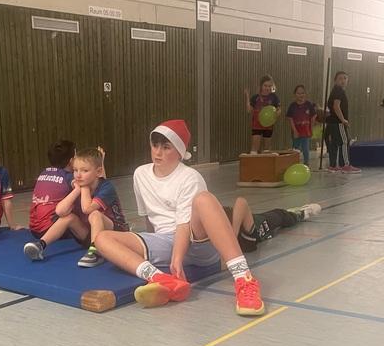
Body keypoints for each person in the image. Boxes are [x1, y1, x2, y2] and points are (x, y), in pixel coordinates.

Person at [94, 120, 265, 315]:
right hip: (164, 241)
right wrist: (147, 246)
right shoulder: (140, 174)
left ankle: (244, 279)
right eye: (155, 145)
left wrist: (176, 260)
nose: (158, 152)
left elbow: (183, 225)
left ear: (180, 152)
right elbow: (148, 218)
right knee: (102, 238)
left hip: (194, 240)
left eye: (166, 147)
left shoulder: (190, 177)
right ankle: (160, 279)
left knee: (204, 199)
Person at [23, 147, 127, 266]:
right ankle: (41, 245)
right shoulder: (78, 185)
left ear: (98, 172)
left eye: (84, 171)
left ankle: (96, 253)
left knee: (95, 214)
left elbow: (87, 209)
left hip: (116, 236)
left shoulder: (106, 187)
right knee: (68, 217)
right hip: (91, 235)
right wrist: (77, 190)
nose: (78, 175)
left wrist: (84, 188)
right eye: (75, 170)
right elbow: (60, 211)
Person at [223, 197, 322, 253]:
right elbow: (241, 202)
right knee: (281, 216)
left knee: (282, 215)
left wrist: (232, 236)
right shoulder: (247, 242)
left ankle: (300, 212)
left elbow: (241, 202)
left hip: (241, 219)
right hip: (262, 222)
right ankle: (300, 213)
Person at [28, 140, 76, 238]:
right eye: (77, 156)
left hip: (34, 229)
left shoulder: (43, 173)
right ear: (71, 161)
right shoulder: (69, 177)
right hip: (51, 229)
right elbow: (99, 191)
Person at [325, 71, 360, 173]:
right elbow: (336, 106)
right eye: (340, 78)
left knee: (334, 143)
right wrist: (343, 120)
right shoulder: (339, 90)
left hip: (332, 122)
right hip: (337, 122)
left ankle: (332, 165)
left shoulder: (335, 90)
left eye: (345, 78)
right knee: (344, 142)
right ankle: (345, 165)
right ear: (335, 80)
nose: (343, 81)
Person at [245, 75, 281, 154]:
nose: (267, 88)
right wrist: (247, 97)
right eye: (265, 85)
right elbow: (249, 110)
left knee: (266, 149)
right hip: (257, 125)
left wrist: (277, 113)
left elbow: (279, 110)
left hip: (268, 126)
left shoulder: (274, 97)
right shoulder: (255, 97)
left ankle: (266, 160)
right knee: (254, 148)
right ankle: (254, 159)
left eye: (269, 86)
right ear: (261, 85)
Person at [286, 85, 316, 165]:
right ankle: (294, 164)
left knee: (305, 148)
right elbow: (290, 119)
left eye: (302, 93)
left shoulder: (308, 104)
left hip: (306, 131)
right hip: (296, 131)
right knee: (295, 148)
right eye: (298, 93)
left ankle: (306, 164)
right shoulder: (292, 106)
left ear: (305, 94)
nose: (300, 95)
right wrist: (294, 131)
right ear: (295, 94)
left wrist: (311, 128)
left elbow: (313, 116)